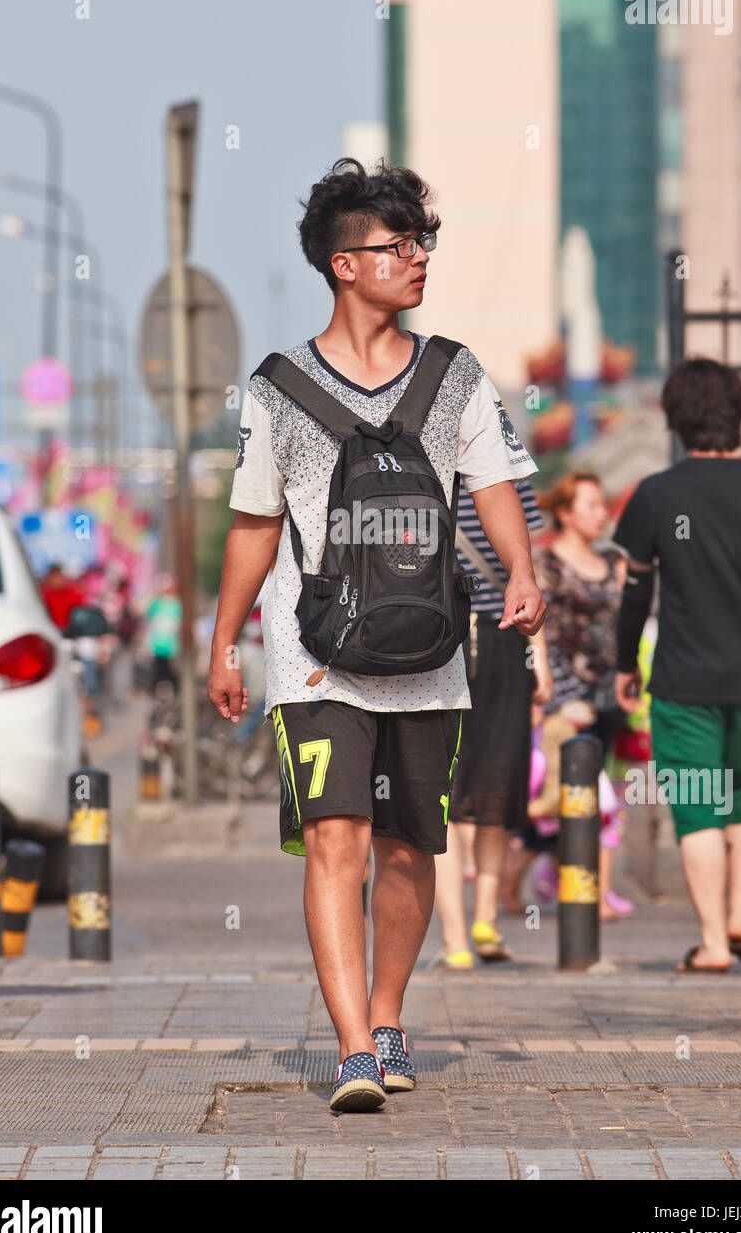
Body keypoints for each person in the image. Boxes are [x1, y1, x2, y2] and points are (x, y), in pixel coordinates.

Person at [208, 157, 545, 1113]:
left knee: (408, 847)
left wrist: (522, 570)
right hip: (315, 660)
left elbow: (493, 487)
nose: (417, 259)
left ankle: (389, 1015)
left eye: (422, 242)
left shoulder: (455, 374)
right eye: (396, 245)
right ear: (343, 265)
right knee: (337, 837)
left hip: (432, 654)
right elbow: (253, 523)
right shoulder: (276, 389)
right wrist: (224, 641)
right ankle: (355, 1046)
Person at [613, 358, 741, 972]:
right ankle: (740, 915)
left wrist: (627, 663)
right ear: (739, 413)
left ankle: (715, 943)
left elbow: (634, 592)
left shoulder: (657, 494)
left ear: (676, 418)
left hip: (684, 679)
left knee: (699, 800)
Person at [432, 475, 551, 968]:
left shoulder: (413, 460)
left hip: (437, 639)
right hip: (504, 641)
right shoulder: (505, 473)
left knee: (443, 797)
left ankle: (459, 938)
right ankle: (482, 918)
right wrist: (539, 657)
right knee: (492, 790)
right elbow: (527, 571)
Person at [529, 472, 634, 921]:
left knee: (603, 795)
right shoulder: (545, 563)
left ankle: (585, 884)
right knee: (565, 794)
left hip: (610, 694)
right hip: (566, 698)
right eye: (590, 505)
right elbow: (542, 633)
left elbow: (625, 626)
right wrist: (546, 690)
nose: (601, 513)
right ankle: (558, 878)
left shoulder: (615, 561)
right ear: (565, 513)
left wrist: (630, 677)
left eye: (602, 504)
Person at [145, 573, 182, 692]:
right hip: (158, 644)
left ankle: (173, 691)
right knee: (158, 670)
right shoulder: (158, 602)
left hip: (170, 644)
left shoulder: (176, 603)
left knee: (170, 671)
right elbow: (148, 613)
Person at [40, 563, 84, 631]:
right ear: (49, 579)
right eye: (54, 577)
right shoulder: (44, 596)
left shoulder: (74, 594)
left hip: (72, 632)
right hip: (51, 631)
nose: (57, 580)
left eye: (58, 576)